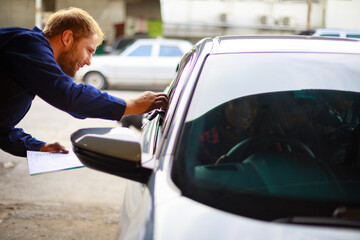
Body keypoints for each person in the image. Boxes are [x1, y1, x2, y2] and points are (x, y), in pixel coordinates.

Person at [0, 7, 168, 157]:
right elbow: (70, 96)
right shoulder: (28, 45)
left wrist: (39, 146)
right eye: (89, 50)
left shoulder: (29, 62)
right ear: (67, 38)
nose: (88, 61)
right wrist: (131, 105)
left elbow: (2, 129)